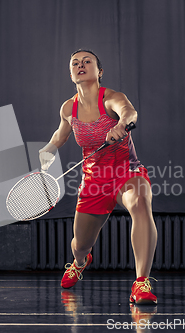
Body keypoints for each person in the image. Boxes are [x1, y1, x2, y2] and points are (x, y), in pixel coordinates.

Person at [39, 50, 158, 304]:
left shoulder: (112, 98)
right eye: (75, 63)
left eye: (87, 61)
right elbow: (60, 136)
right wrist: (48, 150)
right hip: (94, 181)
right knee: (80, 245)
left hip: (126, 171)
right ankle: (81, 262)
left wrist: (120, 124)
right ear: (71, 74)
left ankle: (141, 284)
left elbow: (129, 112)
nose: (80, 65)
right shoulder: (68, 108)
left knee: (139, 202)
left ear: (99, 71)